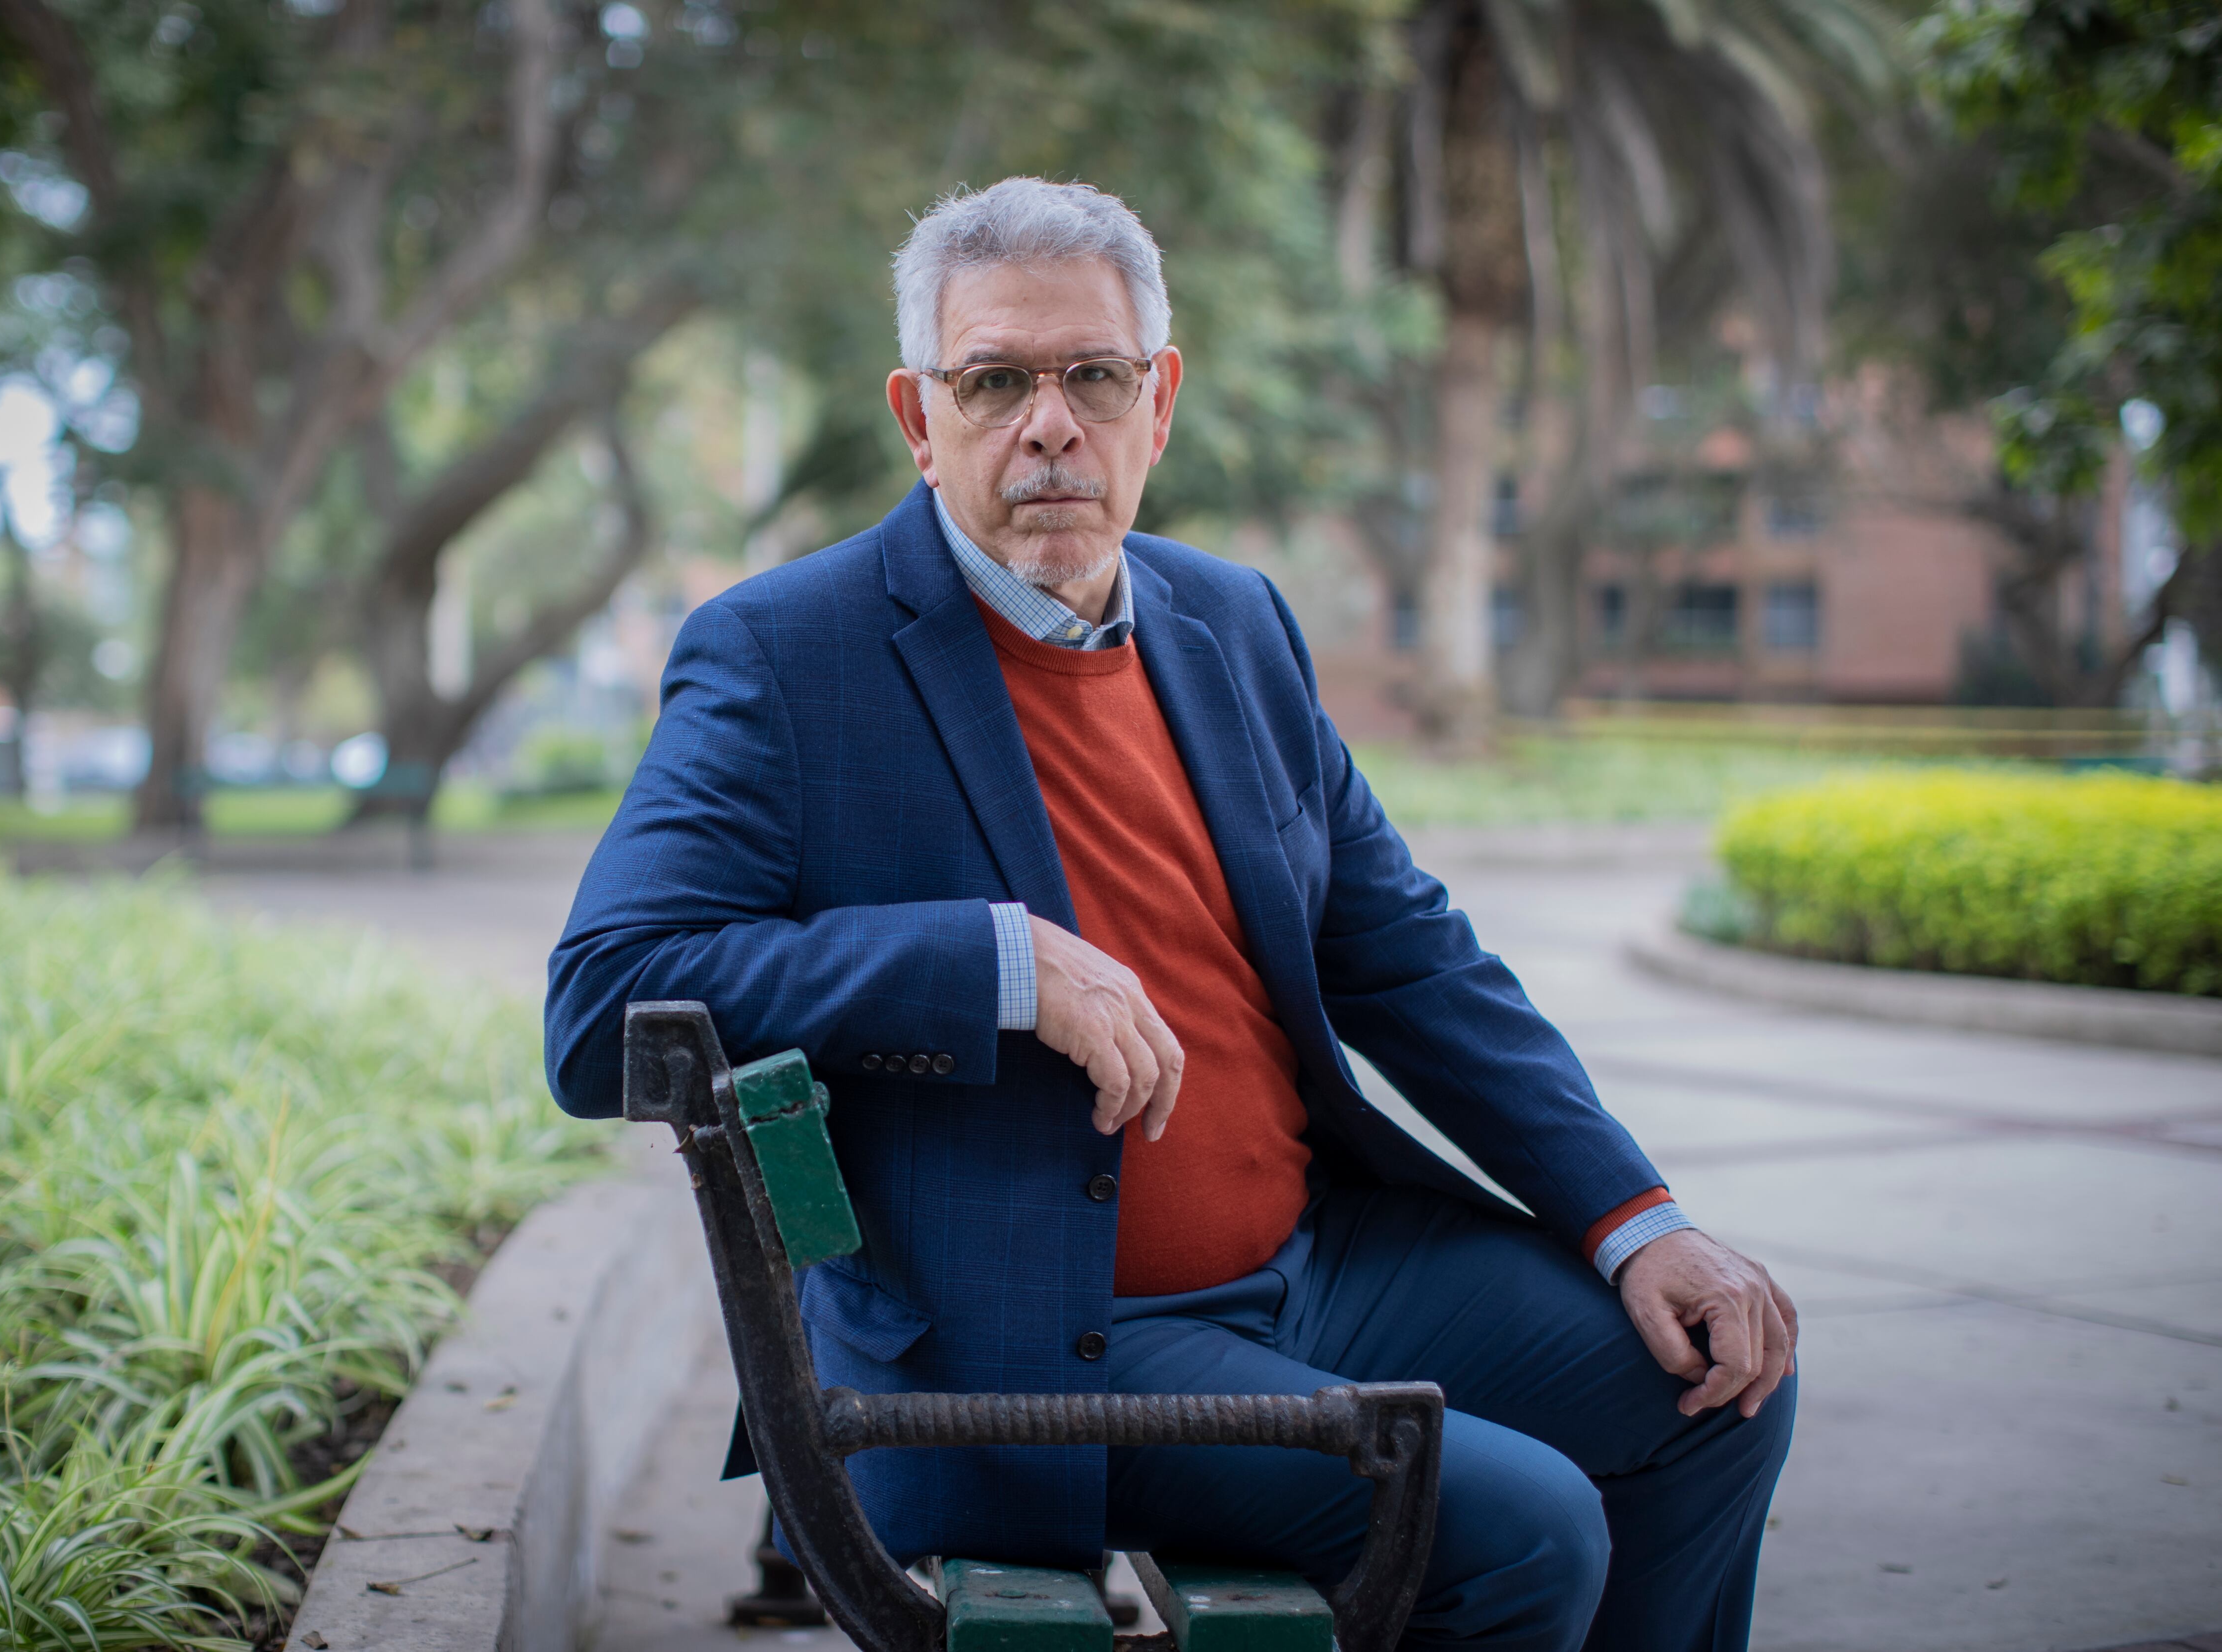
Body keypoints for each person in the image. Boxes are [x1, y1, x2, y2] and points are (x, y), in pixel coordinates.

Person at [546, 177, 1796, 1652]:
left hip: (1321, 1271)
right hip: (1043, 1353)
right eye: (995, 380)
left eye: (1094, 375)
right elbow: (603, 1006)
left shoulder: (1234, 625)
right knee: (1523, 1529)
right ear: (916, 416)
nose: (1050, 424)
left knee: (1713, 1384)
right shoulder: (785, 655)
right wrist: (994, 962)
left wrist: (1636, 1219)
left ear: (1162, 399)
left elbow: (1411, 954)